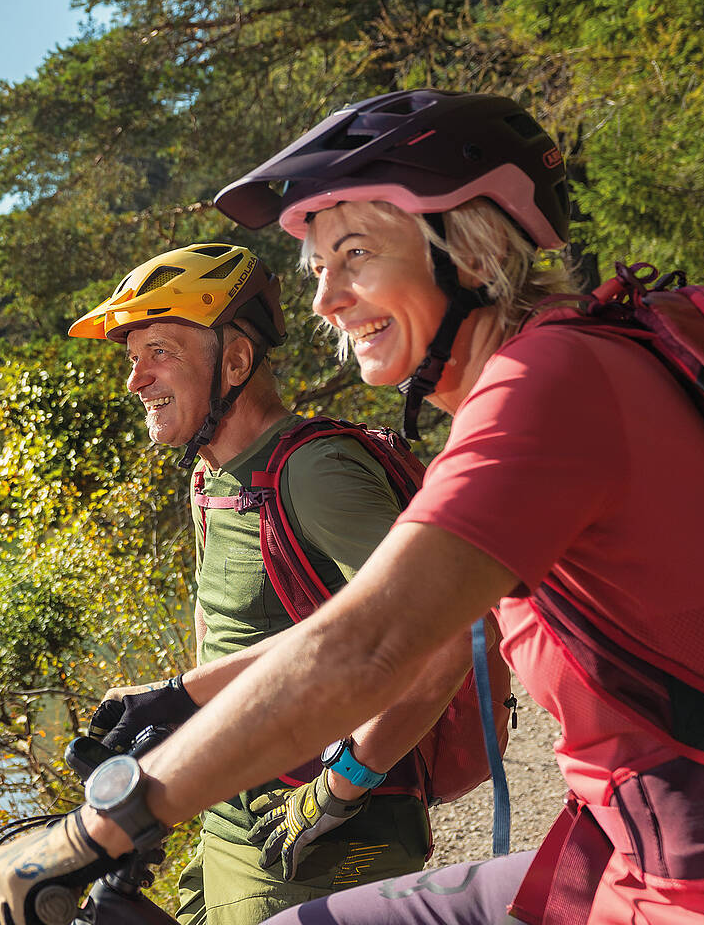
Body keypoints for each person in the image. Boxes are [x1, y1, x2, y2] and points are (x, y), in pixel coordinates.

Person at [0, 89, 704, 925]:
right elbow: (384, 612)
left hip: (687, 884)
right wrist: (190, 693)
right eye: (318, 269)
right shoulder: (607, 346)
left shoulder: (545, 386)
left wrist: (106, 822)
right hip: (621, 848)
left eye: (358, 252)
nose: (326, 299)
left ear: (470, 249)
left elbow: (371, 644)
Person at [67, 243, 471, 925]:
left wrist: (338, 790)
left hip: (324, 844)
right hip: (229, 825)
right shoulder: (211, 478)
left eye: (159, 350)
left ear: (234, 361)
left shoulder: (314, 472)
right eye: (130, 356)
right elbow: (234, 647)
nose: (136, 379)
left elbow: (442, 644)